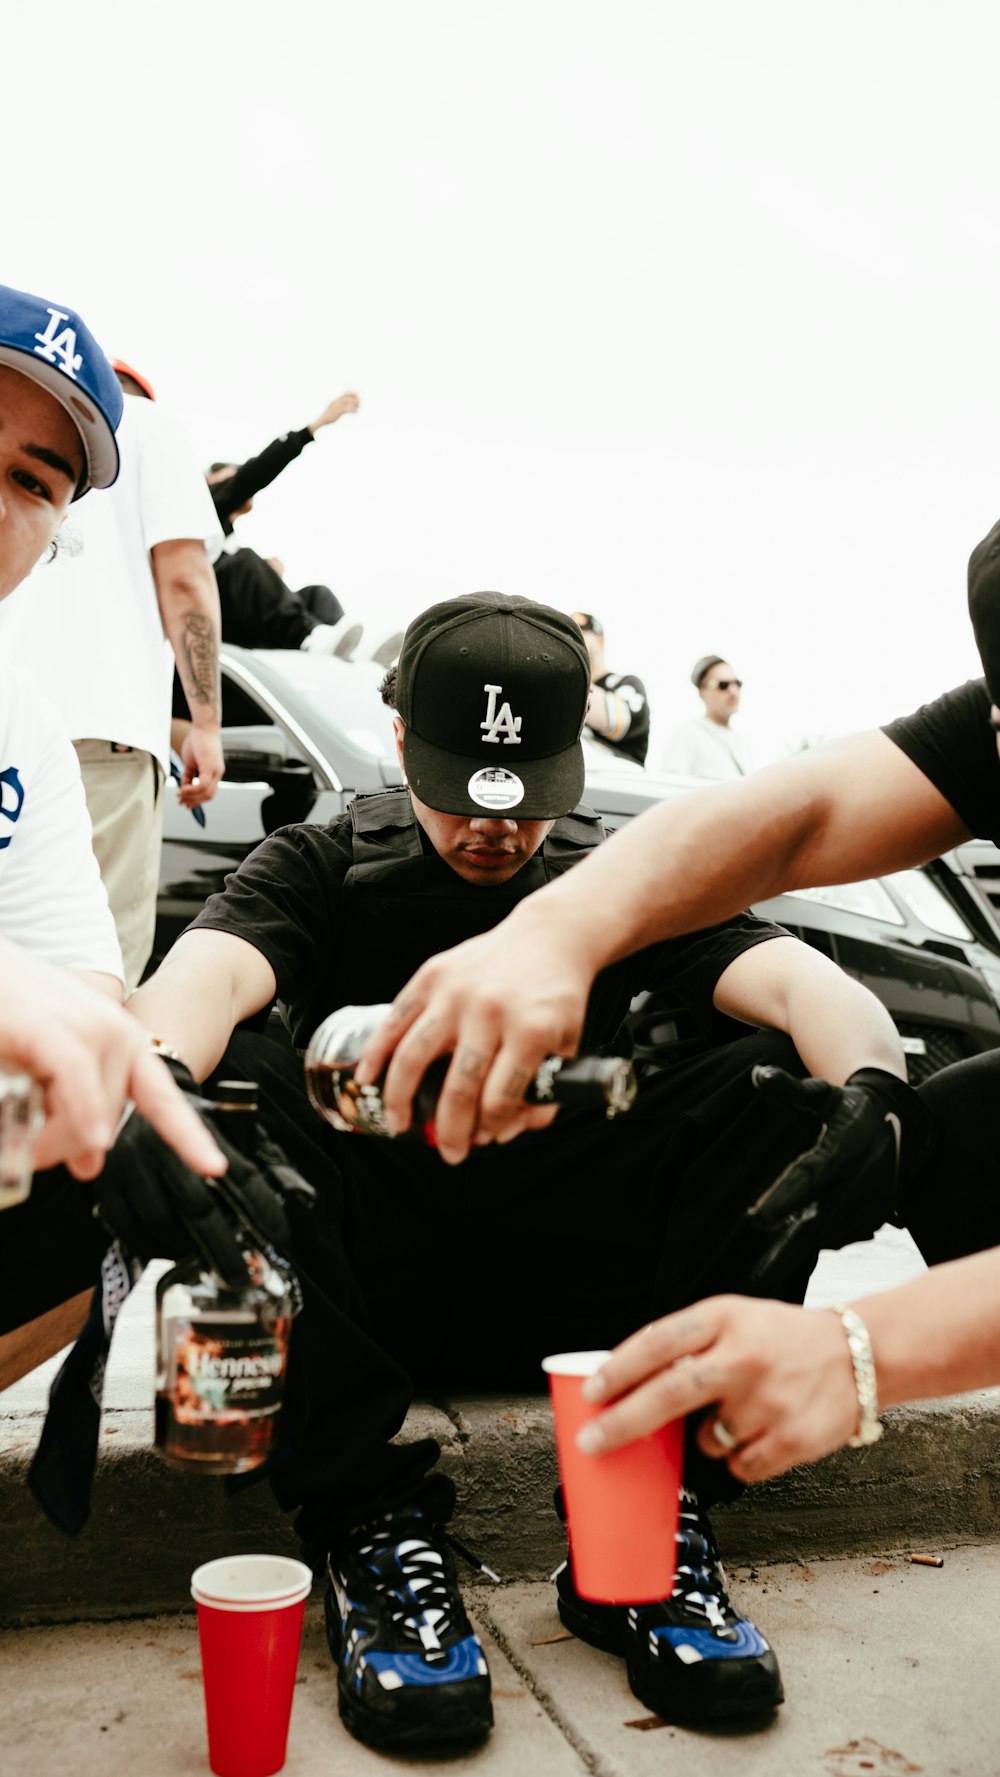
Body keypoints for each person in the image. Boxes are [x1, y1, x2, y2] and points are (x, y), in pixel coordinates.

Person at [126, 590, 928, 1749]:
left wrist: (875, 1095)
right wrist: (152, 1089)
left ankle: (646, 1526)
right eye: (457, 788)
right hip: (373, 1291)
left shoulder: (620, 878)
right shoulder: (324, 859)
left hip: (580, 1299)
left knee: (780, 1085)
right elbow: (202, 978)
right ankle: (367, 1531)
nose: (492, 830)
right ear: (400, 739)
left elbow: (810, 988)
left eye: (521, 798)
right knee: (228, 1078)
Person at [353, 517, 1000, 1486]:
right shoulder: (325, 864)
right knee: (963, 1132)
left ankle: (673, 1514)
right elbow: (801, 810)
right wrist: (552, 934)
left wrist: (858, 1350)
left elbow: (791, 976)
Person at [0, 283, 232, 1386]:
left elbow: (86, 994)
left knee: (125, 1158)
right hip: (130, 729)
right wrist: (205, 719)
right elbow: (186, 575)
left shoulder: (24, 723)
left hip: (103, 732)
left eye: (29, 481)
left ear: (56, 536)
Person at [0, 350, 225, 989]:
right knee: (91, 980)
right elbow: (184, 579)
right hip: (107, 735)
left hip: (29, 715)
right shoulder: (153, 427)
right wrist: (206, 724)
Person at [206, 390, 364, 659]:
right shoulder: (202, 507)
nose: (238, 482)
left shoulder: (227, 539)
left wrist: (265, 576)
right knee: (244, 562)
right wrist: (312, 428)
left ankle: (344, 653)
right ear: (212, 482)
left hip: (245, 620)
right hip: (213, 617)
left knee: (317, 595)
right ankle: (309, 637)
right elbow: (253, 474)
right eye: (229, 476)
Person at [569, 610, 650, 764]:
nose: (572, 641)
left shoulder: (626, 684)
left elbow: (619, 722)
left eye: (579, 633)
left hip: (618, 780)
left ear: (600, 641)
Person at [659, 653, 755, 779]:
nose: (733, 692)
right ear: (702, 692)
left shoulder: (744, 742)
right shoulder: (688, 733)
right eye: (723, 685)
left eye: (737, 683)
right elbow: (670, 784)